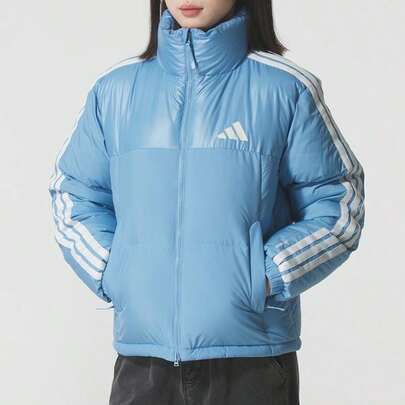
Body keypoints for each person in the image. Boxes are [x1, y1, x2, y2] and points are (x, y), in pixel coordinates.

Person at [48, 0, 365, 404]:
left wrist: (265, 275)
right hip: (143, 365)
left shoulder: (285, 89)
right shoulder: (115, 91)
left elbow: (339, 202)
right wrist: (116, 271)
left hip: (251, 365)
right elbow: (73, 192)